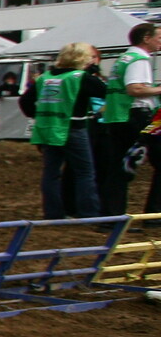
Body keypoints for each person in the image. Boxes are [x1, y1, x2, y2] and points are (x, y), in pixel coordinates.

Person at [28, 41, 105, 219]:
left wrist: (39, 115)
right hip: (74, 127)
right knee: (84, 172)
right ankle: (89, 213)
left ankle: (53, 213)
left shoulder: (45, 78)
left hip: (47, 127)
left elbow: (25, 102)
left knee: (51, 172)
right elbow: (103, 91)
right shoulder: (80, 77)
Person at [95, 21, 159, 216]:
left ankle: (112, 215)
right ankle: (152, 213)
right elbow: (135, 89)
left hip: (119, 116)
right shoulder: (139, 59)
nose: (160, 42)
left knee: (118, 167)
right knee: (124, 167)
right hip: (134, 115)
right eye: (159, 37)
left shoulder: (124, 58)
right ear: (146, 38)